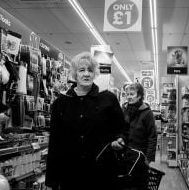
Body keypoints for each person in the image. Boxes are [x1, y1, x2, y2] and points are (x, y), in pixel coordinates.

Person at [45, 52, 127, 190]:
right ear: (75, 74)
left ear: (95, 73)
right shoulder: (61, 103)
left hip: (102, 172)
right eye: (82, 70)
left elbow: (121, 128)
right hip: (70, 174)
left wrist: (120, 139)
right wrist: (52, 180)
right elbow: (55, 142)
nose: (86, 74)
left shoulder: (108, 99)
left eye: (90, 70)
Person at [122, 83, 157, 189]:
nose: (128, 97)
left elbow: (152, 136)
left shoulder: (147, 113)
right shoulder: (125, 110)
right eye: (127, 94)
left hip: (140, 157)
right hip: (125, 155)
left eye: (131, 94)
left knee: (140, 185)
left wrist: (148, 158)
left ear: (140, 96)